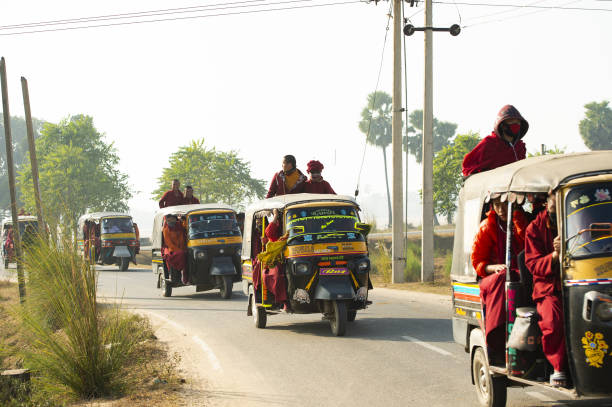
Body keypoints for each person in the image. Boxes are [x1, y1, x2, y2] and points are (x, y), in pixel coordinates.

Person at [471, 196, 527, 364]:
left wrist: (517, 219)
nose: (502, 209)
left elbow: (528, 247)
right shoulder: (487, 227)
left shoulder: (521, 221)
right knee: (503, 277)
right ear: (492, 206)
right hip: (493, 277)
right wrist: (494, 268)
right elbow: (478, 263)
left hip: (520, 273)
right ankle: (497, 338)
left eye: (505, 205)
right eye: (497, 205)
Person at [524, 190, 567, 387]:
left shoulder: (578, 218)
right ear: (546, 199)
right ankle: (558, 368)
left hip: (580, 280)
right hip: (549, 288)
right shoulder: (534, 228)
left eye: (561, 196)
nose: (555, 201)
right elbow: (532, 264)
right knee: (553, 321)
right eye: (553, 197)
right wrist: (554, 255)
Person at [462, 105, 529, 177]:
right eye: (512, 121)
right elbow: (468, 167)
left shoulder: (520, 147)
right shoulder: (489, 144)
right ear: (503, 126)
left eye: (518, 123)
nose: (516, 125)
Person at [162, 214, 188, 284]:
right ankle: (180, 275)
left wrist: (184, 219)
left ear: (175, 219)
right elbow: (168, 243)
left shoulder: (180, 225)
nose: (170, 221)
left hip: (183, 247)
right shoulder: (166, 229)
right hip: (172, 249)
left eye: (172, 219)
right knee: (180, 255)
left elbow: (186, 227)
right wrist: (179, 250)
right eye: (168, 220)